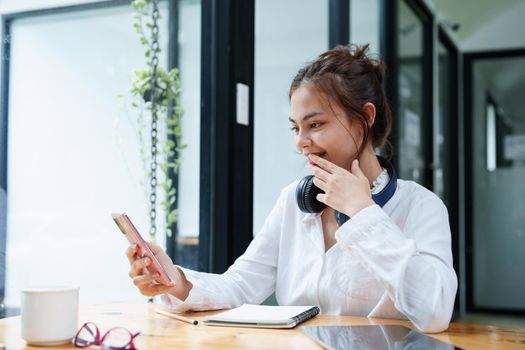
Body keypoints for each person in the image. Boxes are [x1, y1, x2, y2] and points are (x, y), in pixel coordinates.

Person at [126, 44, 457, 333]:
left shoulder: (421, 206)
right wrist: (177, 281)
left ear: (364, 119)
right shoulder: (292, 202)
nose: (301, 142)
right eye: (296, 128)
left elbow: (434, 312)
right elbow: (240, 285)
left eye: (315, 125)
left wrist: (364, 213)